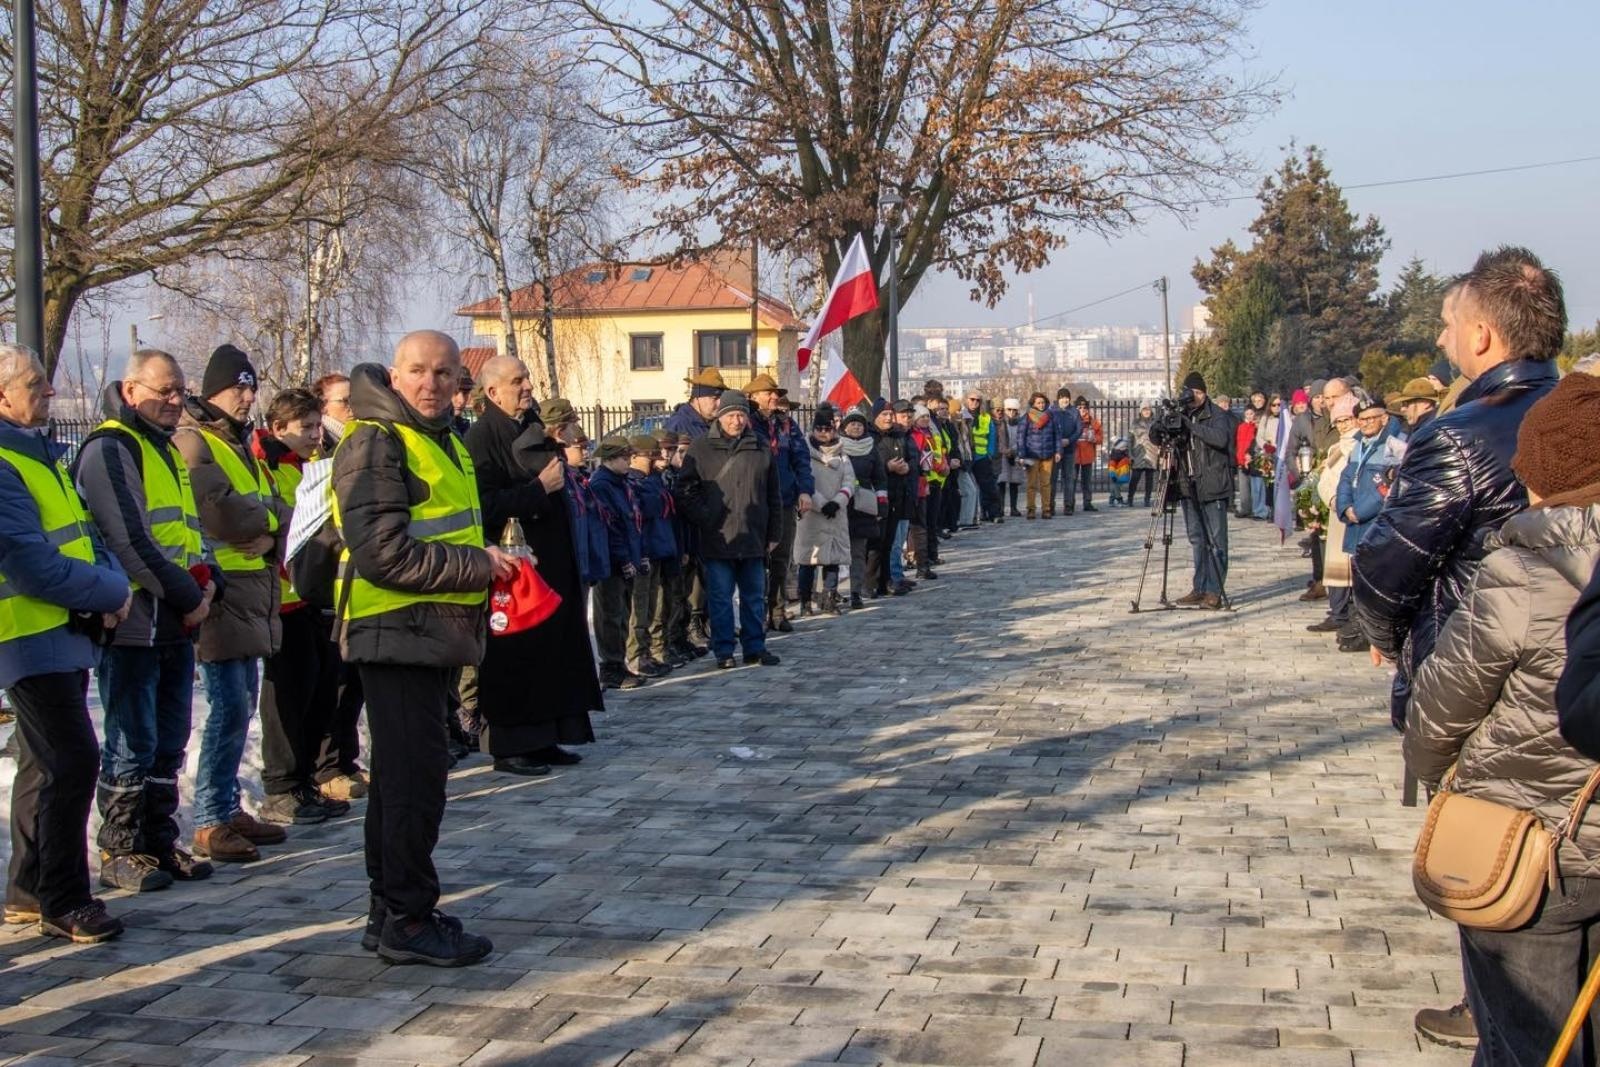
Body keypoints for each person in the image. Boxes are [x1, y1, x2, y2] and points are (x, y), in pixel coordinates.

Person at [1350, 248, 1565, 1049]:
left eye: (1446, 325)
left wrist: (1386, 638)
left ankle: (1497, 1011)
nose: (1441, 340)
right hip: (1570, 674)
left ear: (1480, 335)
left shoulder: (1464, 435)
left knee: (1492, 865)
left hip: (1484, 674)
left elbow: (1390, 562)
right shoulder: (1577, 410)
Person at [1406, 372, 1600, 1065]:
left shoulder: (1524, 565)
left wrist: (1433, 774)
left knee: (1525, 1038)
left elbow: (1444, 698)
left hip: (1527, 840)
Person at [331, 332, 516, 967]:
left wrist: (490, 564)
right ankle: (408, 918)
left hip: (428, 633)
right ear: (393, 373)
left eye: (444, 373)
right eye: (417, 371)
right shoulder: (377, 441)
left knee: (399, 782)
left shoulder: (442, 441)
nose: (431, 383)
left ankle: (389, 910)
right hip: (394, 633)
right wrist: (477, 564)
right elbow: (382, 552)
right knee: (414, 784)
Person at [0, 345, 132, 942]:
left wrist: (109, 586)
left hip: (62, 630)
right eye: (36, 384)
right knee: (70, 760)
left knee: (42, 765)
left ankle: (29, 890)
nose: (50, 392)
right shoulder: (5, 464)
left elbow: (85, 533)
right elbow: (31, 564)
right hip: (29, 633)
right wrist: (108, 593)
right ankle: (64, 898)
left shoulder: (41, 456)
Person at [74, 350, 217, 892]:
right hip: (136, 618)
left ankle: (159, 839)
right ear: (131, 390)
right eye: (164, 390)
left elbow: (188, 528)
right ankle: (121, 847)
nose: (175, 400)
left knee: (170, 737)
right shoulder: (112, 446)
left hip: (176, 619)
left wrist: (210, 582)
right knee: (130, 737)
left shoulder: (165, 450)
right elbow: (129, 539)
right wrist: (189, 595)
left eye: (181, 390)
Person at [173, 344, 291, 864]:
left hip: (252, 593)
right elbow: (220, 514)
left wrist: (268, 525)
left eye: (251, 387)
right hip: (222, 596)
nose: (248, 397)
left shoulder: (239, 442)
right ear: (213, 389)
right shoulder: (196, 441)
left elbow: (281, 508)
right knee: (227, 710)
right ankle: (209, 819)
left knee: (240, 706)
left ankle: (224, 806)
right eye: (239, 387)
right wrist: (268, 518)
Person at [464, 365, 600, 776]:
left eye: (526, 379)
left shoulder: (532, 424)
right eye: (517, 382)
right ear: (492, 391)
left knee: (552, 648)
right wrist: (538, 489)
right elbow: (484, 504)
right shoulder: (481, 438)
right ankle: (511, 744)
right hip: (512, 566)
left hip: (551, 560)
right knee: (515, 653)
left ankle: (546, 736)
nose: (528, 387)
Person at [253, 387, 345, 826]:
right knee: (286, 698)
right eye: (304, 428)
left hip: (313, 597)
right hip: (282, 601)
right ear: (277, 429)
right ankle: (282, 786)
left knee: (320, 692)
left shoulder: (309, 467)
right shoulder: (269, 468)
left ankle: (306, 779)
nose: (313, 435)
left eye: (316, 426)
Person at [675, 391, 781, 669]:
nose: (737, 420)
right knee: (720, 598)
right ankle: (723, 650)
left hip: (753, 534)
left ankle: (755, 647)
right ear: (720, 416)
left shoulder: (759, 446)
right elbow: (685, 490)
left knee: (754, 596)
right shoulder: (701, 447)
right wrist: (707, 517)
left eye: (742, 414)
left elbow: (773, 494)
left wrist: (774, 534)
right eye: (732, 415)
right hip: (717, 536)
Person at [309, 371, 366, 802]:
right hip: (327, 574)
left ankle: (347, 758)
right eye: (343, 401)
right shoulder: (323, 448)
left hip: (356, 578)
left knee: (353, 679)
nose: (351, 408)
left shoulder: (358, 442)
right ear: (324, 406)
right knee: (336, 678)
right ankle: (327, 765)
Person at [1333, 399, 1407, 651]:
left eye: (1370, 418)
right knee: (1358, 579)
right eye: (1361, 419)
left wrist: (1361, 511)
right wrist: (1344, 506)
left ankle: (1374, 632)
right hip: (1355, 522)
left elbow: (1389, 486)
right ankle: (1358, 626)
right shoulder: (1359, 445)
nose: (1365, 424)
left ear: (1384, 418)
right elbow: (1345, 478)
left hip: (1375, 522)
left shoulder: (1396, 443)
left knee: (1376, 580)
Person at [744, 373, 813, 634]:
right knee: (758, 561)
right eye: (768, 393)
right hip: (755, 502)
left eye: (775, 393)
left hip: (783, 500)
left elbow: (801, 458)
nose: (774, 397)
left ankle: (777, 611)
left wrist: (805, 490)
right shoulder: (747, 423)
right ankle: (758, 615)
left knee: (781, 560)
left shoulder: (786, 425)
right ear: (753, 396)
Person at [1173, 372, 1237, 610]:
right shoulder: (1182, 413)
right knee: (1197, 539)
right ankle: (1199, 588)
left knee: (1216, 541)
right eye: (1191, 393)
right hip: (1189, 487)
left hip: (1213, 485)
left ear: (1205, 393)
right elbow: (1157, 438)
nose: (1195, 397)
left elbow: (1220, 439)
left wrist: (1191, 426)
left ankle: (1214, 591)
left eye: (1199, 393)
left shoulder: (1217, 415)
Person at [588, 438, 647, 689]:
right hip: (612, 562)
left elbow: (634, 523)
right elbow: (611, 526)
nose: (629, 461)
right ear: (610, 459)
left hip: (626, 557)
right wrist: (623, 557)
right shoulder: (602, 485)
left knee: (623, 614)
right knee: (610, 615)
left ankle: (619, 663)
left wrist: (639, 554)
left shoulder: (622, 483)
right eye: (624, 457)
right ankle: (610, 666)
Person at [1306, 396, 1360, 646]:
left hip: (1352, 511)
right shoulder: (1336, 447)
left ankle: (1347, 614)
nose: (1342, 425)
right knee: (1336, 566)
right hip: (1335, 509)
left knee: (1348, 568)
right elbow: (1326, 478)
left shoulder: (1360, 445)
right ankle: (1338, 611)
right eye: (1337, 421)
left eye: (1346, 419)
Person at [793, 409, 856, 616]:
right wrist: (821, 503)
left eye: (827, 429)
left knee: (832, 559)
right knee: (808, 560)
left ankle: (830, 598)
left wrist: (837, 502)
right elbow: (803, 479)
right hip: (812, 512)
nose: (823, 433)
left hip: (836, 514)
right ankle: (805, 601)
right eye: (818, 428)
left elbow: (849, 481)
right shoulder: (805, 451)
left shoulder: (842, 454)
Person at [627, 432, 678, 672]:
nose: (657, 460)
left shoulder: (655, 480)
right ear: (634, 457)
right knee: (640, 610)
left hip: (659, 549)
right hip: (644, 551)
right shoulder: (633, 482)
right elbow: (645, 512)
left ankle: (652, 652)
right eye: (651, 457)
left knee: (655, 608)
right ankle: (638, 656)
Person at [869, 400, 917, 597]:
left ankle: (887, 580)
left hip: (898, 493)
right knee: (876, 544)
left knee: (890, 541)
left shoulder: (898, 435)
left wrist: (907, 467)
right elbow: (867, 465)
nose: (888, 418)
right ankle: (872, 582)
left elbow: (909, 457)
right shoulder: (870, 438)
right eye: (884, 415)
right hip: (877, 494)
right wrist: (887, 467)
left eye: (890, 415)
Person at [840, 411, 886, 610]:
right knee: (835, 553)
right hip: (840, 503)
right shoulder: (837, 447)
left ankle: (855, 592)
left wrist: (881, 503)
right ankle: (829, 592)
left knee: (859, 552)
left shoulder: (871, 448)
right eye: (852, 424)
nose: (856, 427)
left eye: (859, 424)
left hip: (863, 503)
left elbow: (880, 478)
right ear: (845, 427)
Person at [1018, 393, 1059, 520]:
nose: (1041, 405)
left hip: (1048, 455)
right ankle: (1031, 509)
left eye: (1043, 402)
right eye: (1038, 403)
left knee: (1046, 484)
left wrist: (1058, 452)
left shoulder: (1051, 416)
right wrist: (1022, 455)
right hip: (1032, 455)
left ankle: (1046, 509)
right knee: (1031, 484)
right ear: (1033, 404)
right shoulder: (1027, 417)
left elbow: (1057, 435)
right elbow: (1021, 437)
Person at [964, 392, 1001, 523]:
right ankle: (970, 516)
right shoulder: (961, 416)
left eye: (977, 400)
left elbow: (992, 436)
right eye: (972, 399)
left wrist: (989, 453)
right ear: (967, 400)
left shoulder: (986, 417)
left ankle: (993, 513)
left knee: (988, 487)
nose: (974, 402)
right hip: (967, 457)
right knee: (967, 488)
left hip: (982, 456)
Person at [1049, 389, 1081, 516]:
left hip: (1069, 449)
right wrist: (1057, 441)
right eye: (1062, 397)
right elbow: (1049, 429)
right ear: (1058, 399)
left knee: (1069, 479)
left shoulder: (1075, 412)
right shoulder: (1052, 411)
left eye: (1067, 397)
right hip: (1055, 451)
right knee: (1052, 479)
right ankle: (1050, 505)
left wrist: (1069, 440)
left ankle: (1068, 506)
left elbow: (1079, 429)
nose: (1065, 400)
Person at [1073, 397, 1103, 513]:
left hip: (1087, 455)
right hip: (1074, 455)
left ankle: (1087, 503)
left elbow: (1100, 438)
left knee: (1087, 481)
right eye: (1079, 407)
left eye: (1085, 407)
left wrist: (1094, 438)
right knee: (1072, 480)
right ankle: (1070, 503)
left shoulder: (1093, 422)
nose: (1082, 409)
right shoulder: (1072, 420)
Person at [997, 399, 1025, 517]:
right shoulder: (1001, 423)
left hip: (1015, 454)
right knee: (1001, 482)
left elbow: (1022, 438)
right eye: (1009, 409)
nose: (1012, 412)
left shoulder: (1020, 424)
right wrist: (1005, 450)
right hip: (1003, 455)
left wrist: (1014, 450)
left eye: (1014, 410)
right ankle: (1001, 507)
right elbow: (999, 439)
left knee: (1014, 482)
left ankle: (1013, 507)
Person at [1129, 403, 1159, 510]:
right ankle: (1130, 498)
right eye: (1144, 409)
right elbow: (1130, 440)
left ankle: (1147, 499)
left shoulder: (1155, 423)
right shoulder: (1135, 423)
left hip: (1152, 452)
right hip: (1139, 454)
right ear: (1141, 411)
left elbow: (1159, 437)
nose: (1146, 411)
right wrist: (1130, 454)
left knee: (1149, 479)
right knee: (1135, 477)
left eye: (1148, 409)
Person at [1105, 437, 1131, 506]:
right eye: (1124, 447)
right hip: (1118, 475)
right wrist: (1113, 475)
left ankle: (1111, 500)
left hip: (1122, 474)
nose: (1126, 449)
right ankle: (1119, 500)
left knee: (1115, 487)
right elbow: (1112, 467)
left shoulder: (1121, 455)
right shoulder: (1116, 457)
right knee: (1116, 487)